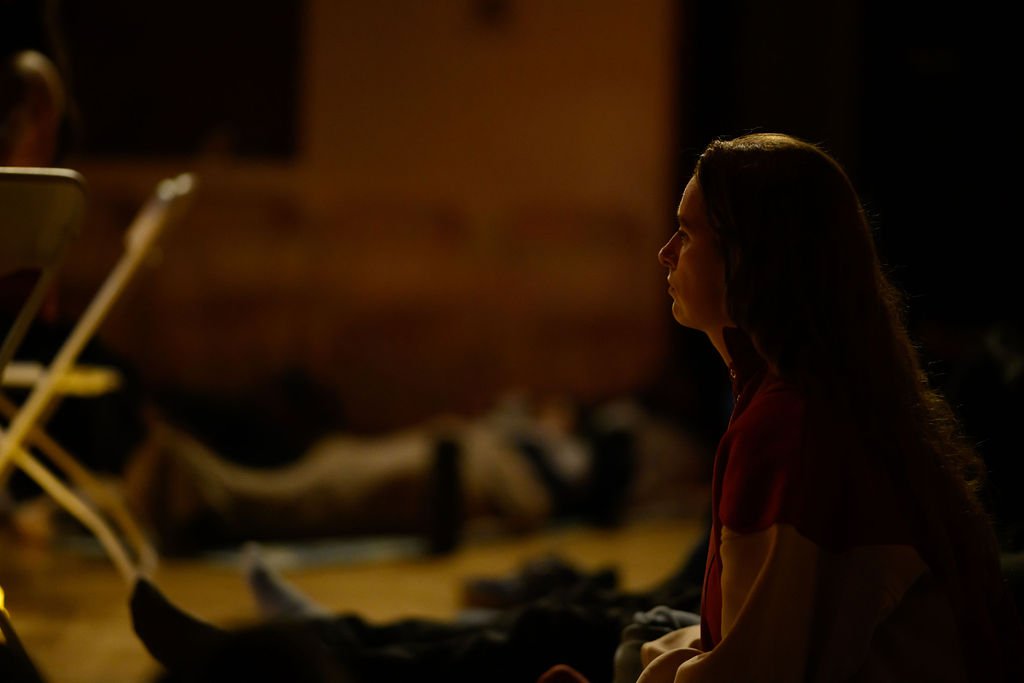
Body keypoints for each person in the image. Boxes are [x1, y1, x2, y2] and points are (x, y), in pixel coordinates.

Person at [562, 133, 1023, 682]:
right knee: (641, 633)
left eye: (686, 232)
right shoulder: (815, 390)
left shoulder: (790, 425)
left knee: (622, 642)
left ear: (752, 257)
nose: (666, 252)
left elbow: (761, 672)